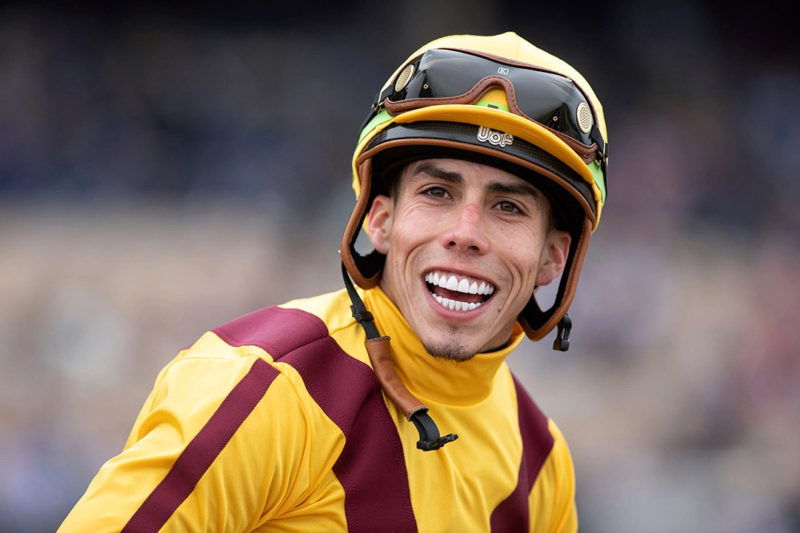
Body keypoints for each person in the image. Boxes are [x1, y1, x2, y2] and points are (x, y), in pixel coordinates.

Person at [60, 31, 608, 532]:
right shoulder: (261, 387)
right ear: (379, 219)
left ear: (552, 258)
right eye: (437, 193)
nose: (466, 234)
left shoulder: (542, 462)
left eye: (507, 206)